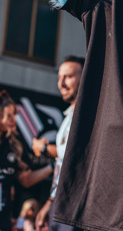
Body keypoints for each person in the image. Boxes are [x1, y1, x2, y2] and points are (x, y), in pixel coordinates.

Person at [31, 57, 83, 231]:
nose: (61, 83)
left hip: (75, 204)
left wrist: (44, 148)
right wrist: (50, 202)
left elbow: (72, 154)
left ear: (84, 78)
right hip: (61, 201)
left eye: (67, 77)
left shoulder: (88, 114)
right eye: (59, 77)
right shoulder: (69, 114)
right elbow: (62, 166)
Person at [1, 93, 53, 231]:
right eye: (9, 115)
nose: (14, 120)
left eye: (14, 115)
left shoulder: (14, 145)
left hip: (4, 220)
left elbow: (25, 180)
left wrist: (53, 166)